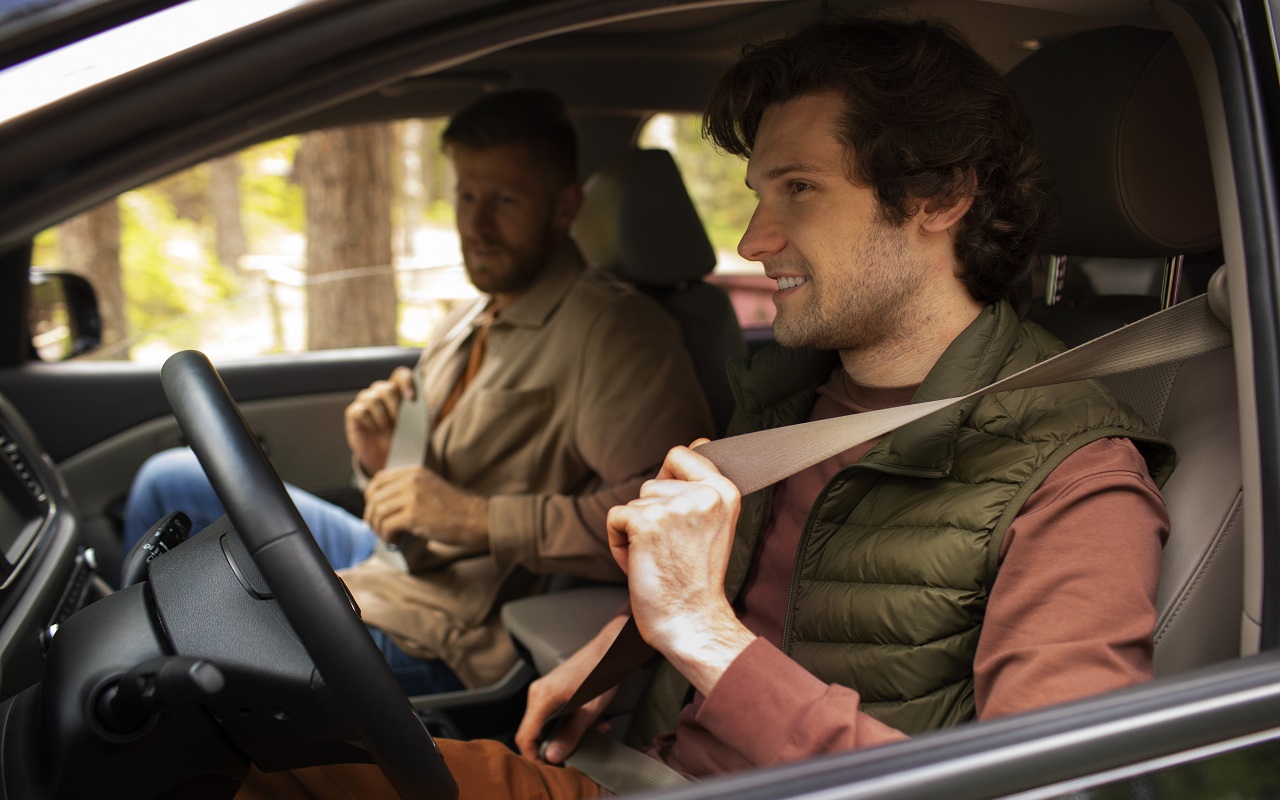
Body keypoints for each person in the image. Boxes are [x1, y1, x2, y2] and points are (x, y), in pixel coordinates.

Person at [235, 14, 1172, 798]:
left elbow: (1051, 788)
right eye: (761, 193)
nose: (754, 239)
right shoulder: (791, 398)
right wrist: (622, 652)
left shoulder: (1073, 475)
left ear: (939, 195)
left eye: (799, 190)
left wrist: (701, 636)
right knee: (244, 766)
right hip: (635, 766)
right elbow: (738, 595)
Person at [123, 89, 714, 696]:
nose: (476, 225)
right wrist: (381, 461)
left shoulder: (614, 333)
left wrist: (476, 519)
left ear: (564, 207)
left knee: (178, 653)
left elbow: (661, 517)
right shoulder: (468, 316)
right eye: (466, 197)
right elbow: (425, 496)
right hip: (388, 562)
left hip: (445, 622)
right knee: (169, 480)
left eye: (505, 200)